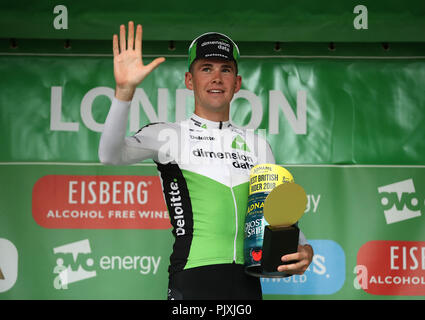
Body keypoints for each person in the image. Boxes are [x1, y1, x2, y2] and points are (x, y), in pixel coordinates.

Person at [99, 21, 314, 300]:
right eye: (206, 68)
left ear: (236, 84)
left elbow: (276, 218)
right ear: (190, 80)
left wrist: (305, 249)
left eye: (225, 69)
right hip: (192, 278)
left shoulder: (259, 146)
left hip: (247, 284)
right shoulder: (168, 135)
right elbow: (109, 155)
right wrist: (124, 91)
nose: (216, 78)